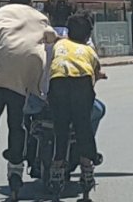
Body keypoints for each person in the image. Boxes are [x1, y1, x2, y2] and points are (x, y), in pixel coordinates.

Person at [0, 0, 56, 195]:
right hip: (21, 77)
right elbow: (51, 39)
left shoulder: (2, 12)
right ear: (30, 1)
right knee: (17, 126)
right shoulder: (40, 18)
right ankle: (15, 172)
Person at [25, 0, 105, 177]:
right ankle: (86, 153)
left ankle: (24, 151)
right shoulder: (83, 41)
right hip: (77, 94)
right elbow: (94, 71)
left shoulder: (40, 36)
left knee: (23, 112)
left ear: (48, 15)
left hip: (44, 97)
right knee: (96, 112)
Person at [48, 11, 101, 190]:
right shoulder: (89, 50)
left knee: (60, 128)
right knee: (83, 127)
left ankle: (57, 168)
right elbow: (96, 72)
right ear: (88, 35)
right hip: (81, 84)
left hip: (59, 83)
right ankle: (86, 167)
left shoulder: (60, 44)